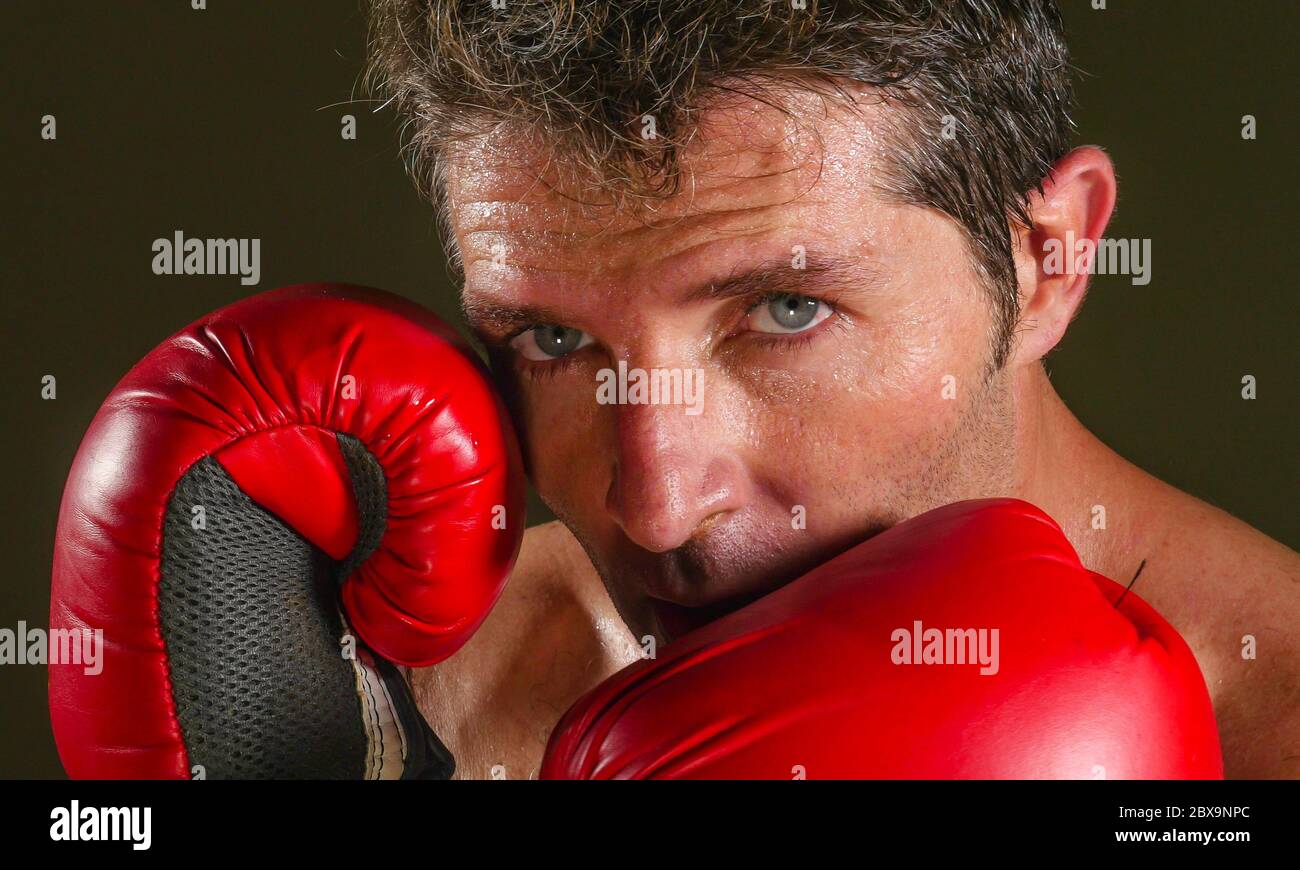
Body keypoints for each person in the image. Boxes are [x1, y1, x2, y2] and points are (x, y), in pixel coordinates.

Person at [365, 0, 1299, 778]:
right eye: (555, 338)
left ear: (1044, 263)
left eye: (784, 311)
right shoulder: (416, 703)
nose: (658, 509)